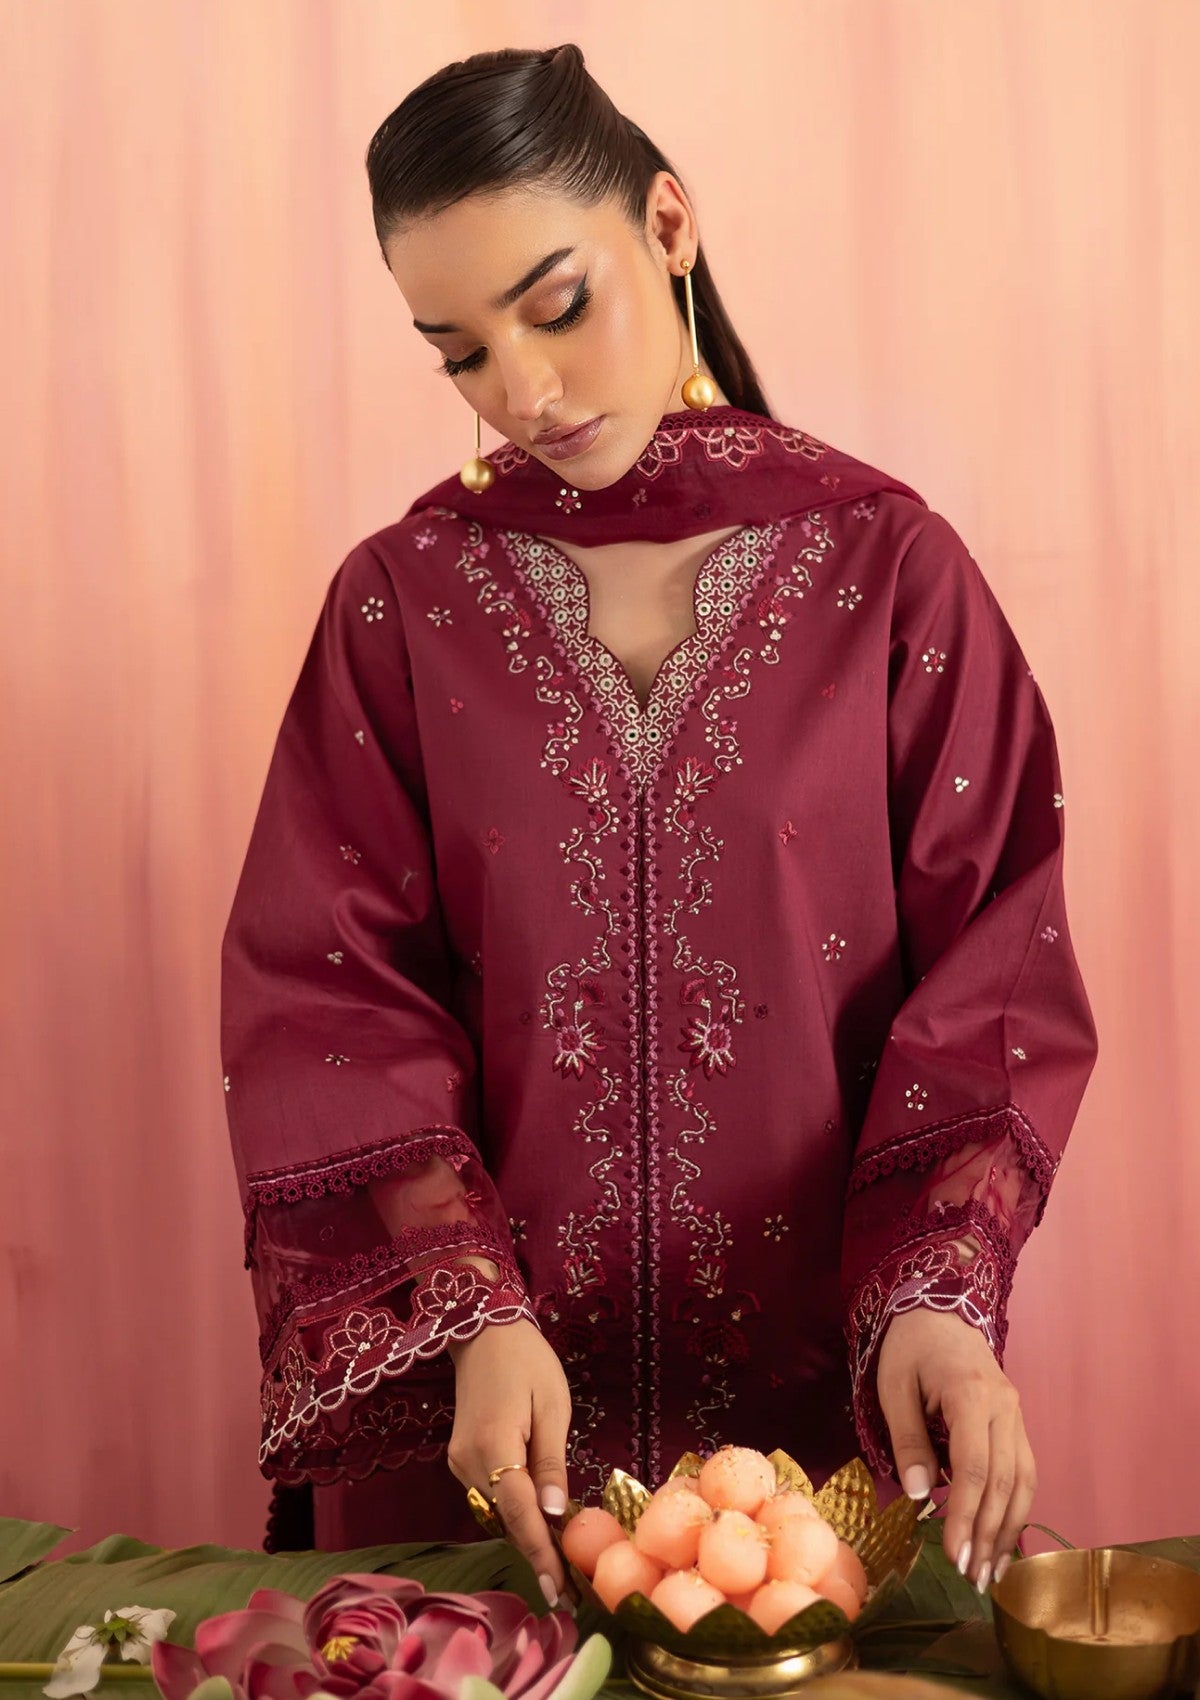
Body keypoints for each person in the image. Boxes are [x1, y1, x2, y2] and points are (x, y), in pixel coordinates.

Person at [220, 43, 1097, 1609]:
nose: (523, 391)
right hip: (498, 1450)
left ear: (670, 227)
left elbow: (997, 981)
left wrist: (941, 1297)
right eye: (460, 351)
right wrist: (466, 1307)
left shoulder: (888, 573)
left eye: (556, 306)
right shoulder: (403, 603)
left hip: (821, 1460)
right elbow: (330, 1001)